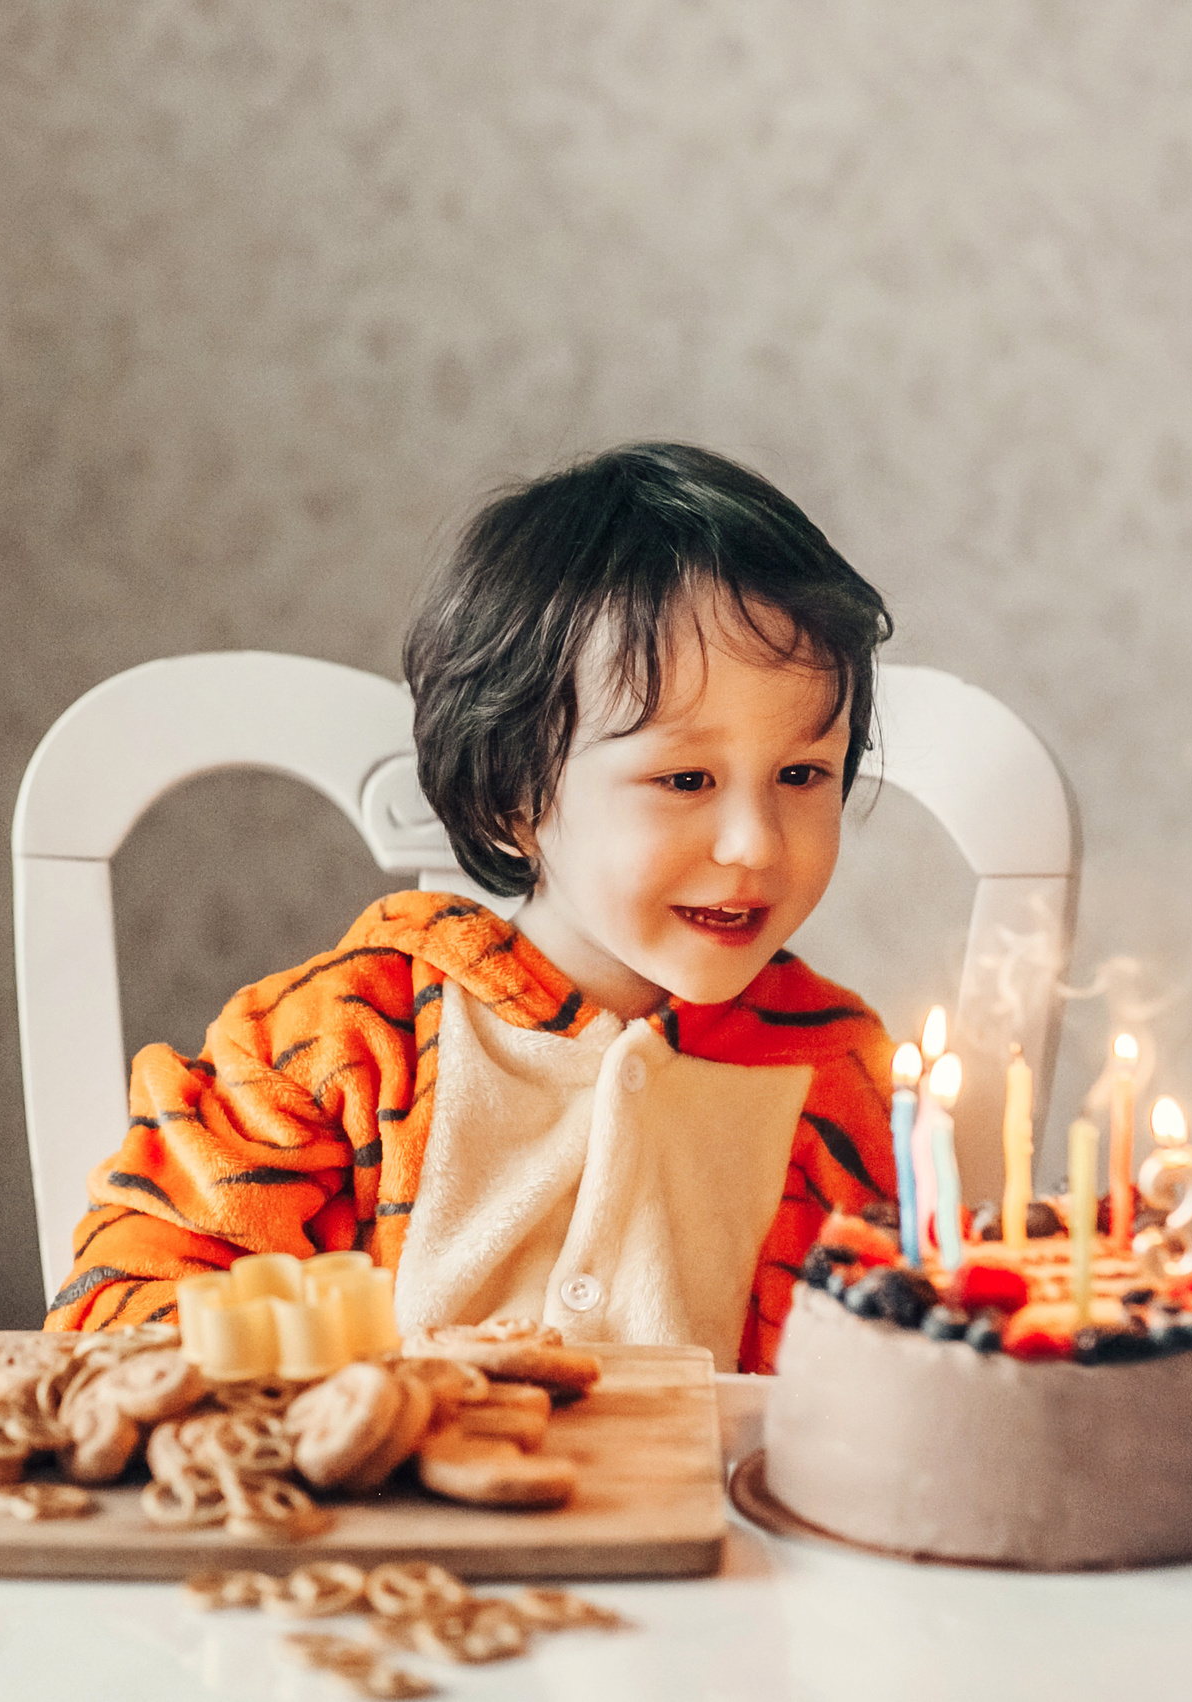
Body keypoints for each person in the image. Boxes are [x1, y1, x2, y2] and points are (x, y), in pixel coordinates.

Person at [46, 443, 897, 1373]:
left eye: (802, 774)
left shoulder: (833, 1076)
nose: (757, 845)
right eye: (685, 777)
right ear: (512, 799)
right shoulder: (345, 1041)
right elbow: (118, 1315)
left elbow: (855, 1407)